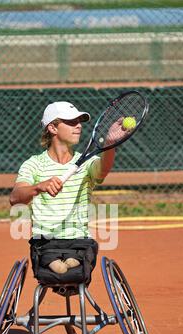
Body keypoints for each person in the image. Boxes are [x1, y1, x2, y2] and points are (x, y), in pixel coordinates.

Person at [9, 101, 125, 274]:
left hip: (79, 241)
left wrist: (110, 144)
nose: (78, 126)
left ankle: (67, 263)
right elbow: (15, 198)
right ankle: (61, 263)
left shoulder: (86, 163)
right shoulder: (33, 164)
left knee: (87, 250)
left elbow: (102, 170)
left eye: (79, 122)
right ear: (53, 128)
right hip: (45, 242)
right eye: (71, 122)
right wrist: (39, 187)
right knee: (50, 258)